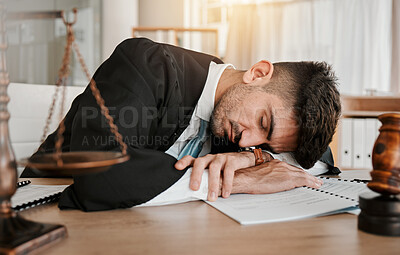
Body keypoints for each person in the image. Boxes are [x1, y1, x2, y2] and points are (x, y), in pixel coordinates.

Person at [21, 38, 341, 211]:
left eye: (265, 142)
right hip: (42, 210)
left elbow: (320, 158)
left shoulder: (245, 137)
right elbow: (102, 175)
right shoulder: (145, 64)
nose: (248, 141)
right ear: (258, 74)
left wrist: (257, 159)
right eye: (263, 122)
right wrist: (240, 181)